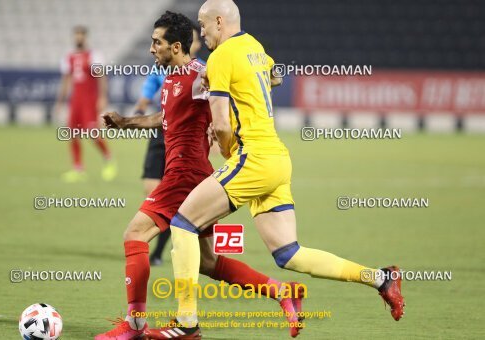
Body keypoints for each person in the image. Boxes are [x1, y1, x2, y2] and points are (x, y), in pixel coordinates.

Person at [147, 0, 405, 338]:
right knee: (289, 254)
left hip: (251, 157)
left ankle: (186, 324)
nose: (202, 32)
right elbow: (273, 76)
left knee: (182, 223)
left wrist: (226, 150)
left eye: (204, 24)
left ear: (220, 22)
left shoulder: (221, 57)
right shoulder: (255, 47)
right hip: (277, 159)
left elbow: (221, 124)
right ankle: (381, 278)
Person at [94, 11, 304, 340]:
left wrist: (223, 131)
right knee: (208, 262)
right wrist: (126, 122)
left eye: (157, 43)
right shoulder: (173, 77)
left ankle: (135, 325)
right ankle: (281, 292)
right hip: (193, 174)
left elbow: (245, 89)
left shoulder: (199, 75)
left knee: (134, 235)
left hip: (184, 175)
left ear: (176, 47)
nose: (151, 49)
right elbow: (166, 118)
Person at [135, 28, 203, 266]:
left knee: (174, 202)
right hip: (159, 137)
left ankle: (157, 253)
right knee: (152, 192)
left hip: (185, 146)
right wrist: (137, 113)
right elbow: (149, 91)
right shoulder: (162, 69)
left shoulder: (202, 72)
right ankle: (160, 241)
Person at [55, 25, 117, 183]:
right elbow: (66, 81)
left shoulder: (93, 56)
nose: (78, 38)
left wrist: (102, 97)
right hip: (76, 100)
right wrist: (60, 102)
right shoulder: (69, 57)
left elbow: (101, 77)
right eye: (76, 35)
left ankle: (108, 159)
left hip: (90, 99)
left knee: (92, 132)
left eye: (81, 35)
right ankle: (78, 169)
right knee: (72, 133)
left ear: (85, 37)